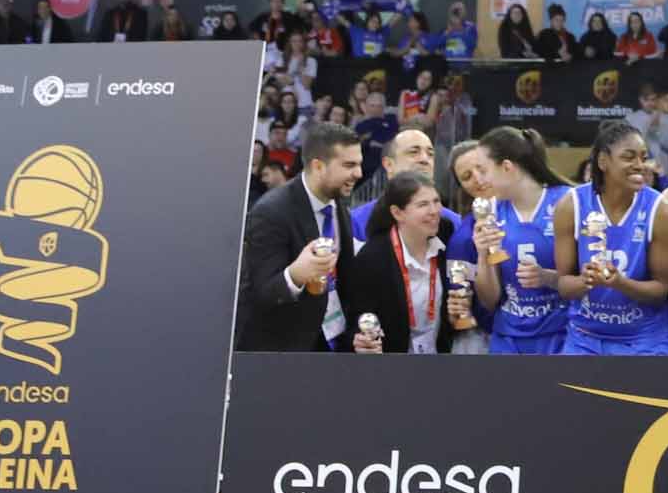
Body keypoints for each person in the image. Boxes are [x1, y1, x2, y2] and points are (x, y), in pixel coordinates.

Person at [234, 121, 362, 351]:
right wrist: (295, 275)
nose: (359, 173)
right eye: (349, 165)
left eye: (359, 164)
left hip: (326, 346)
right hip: (277, 353)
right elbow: (260, 292)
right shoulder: (270, 212)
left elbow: (346, 283)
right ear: (318, 166)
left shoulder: (338, 205)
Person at [554, 121, 668, 355]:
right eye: (629, 157)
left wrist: (620, 283)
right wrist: (585, 281)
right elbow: (564, 285)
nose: (640, 165)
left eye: (643, 157)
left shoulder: (661, 209)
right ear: (603, 162)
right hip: (585, 337)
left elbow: (661, 289)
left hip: (644, 338)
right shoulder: (571, 205)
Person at [336, 172, 474, 355]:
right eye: (423, 204)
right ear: (397, 213)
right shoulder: (372, 258)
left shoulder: (447, 235)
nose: (434, 211)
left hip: (442, 358)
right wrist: (362, 341)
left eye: (436, 201)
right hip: (393, 363)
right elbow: (358, 319)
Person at [468, 126, 567, 355]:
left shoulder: (566, 202)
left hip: (561, 335)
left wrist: (548, 278)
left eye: (483, 170)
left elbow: (586, 279)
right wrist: (483, 255)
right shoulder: (490, 211)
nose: (479, 180)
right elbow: (489, 300)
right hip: (509, 338)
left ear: (507, 167)